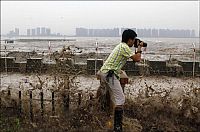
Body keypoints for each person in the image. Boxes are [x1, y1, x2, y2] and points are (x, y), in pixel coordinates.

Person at [98, 29, 143, 132]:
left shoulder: (121, 46)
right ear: (130, 40)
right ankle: (117, 128)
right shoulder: (124, 47)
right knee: (120, 99)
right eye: (134, 40)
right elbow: (137, 59)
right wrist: (139, 47)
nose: (134, 42)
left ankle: (111, 122)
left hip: (107, 73)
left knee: (114, 99)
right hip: (109, 74)